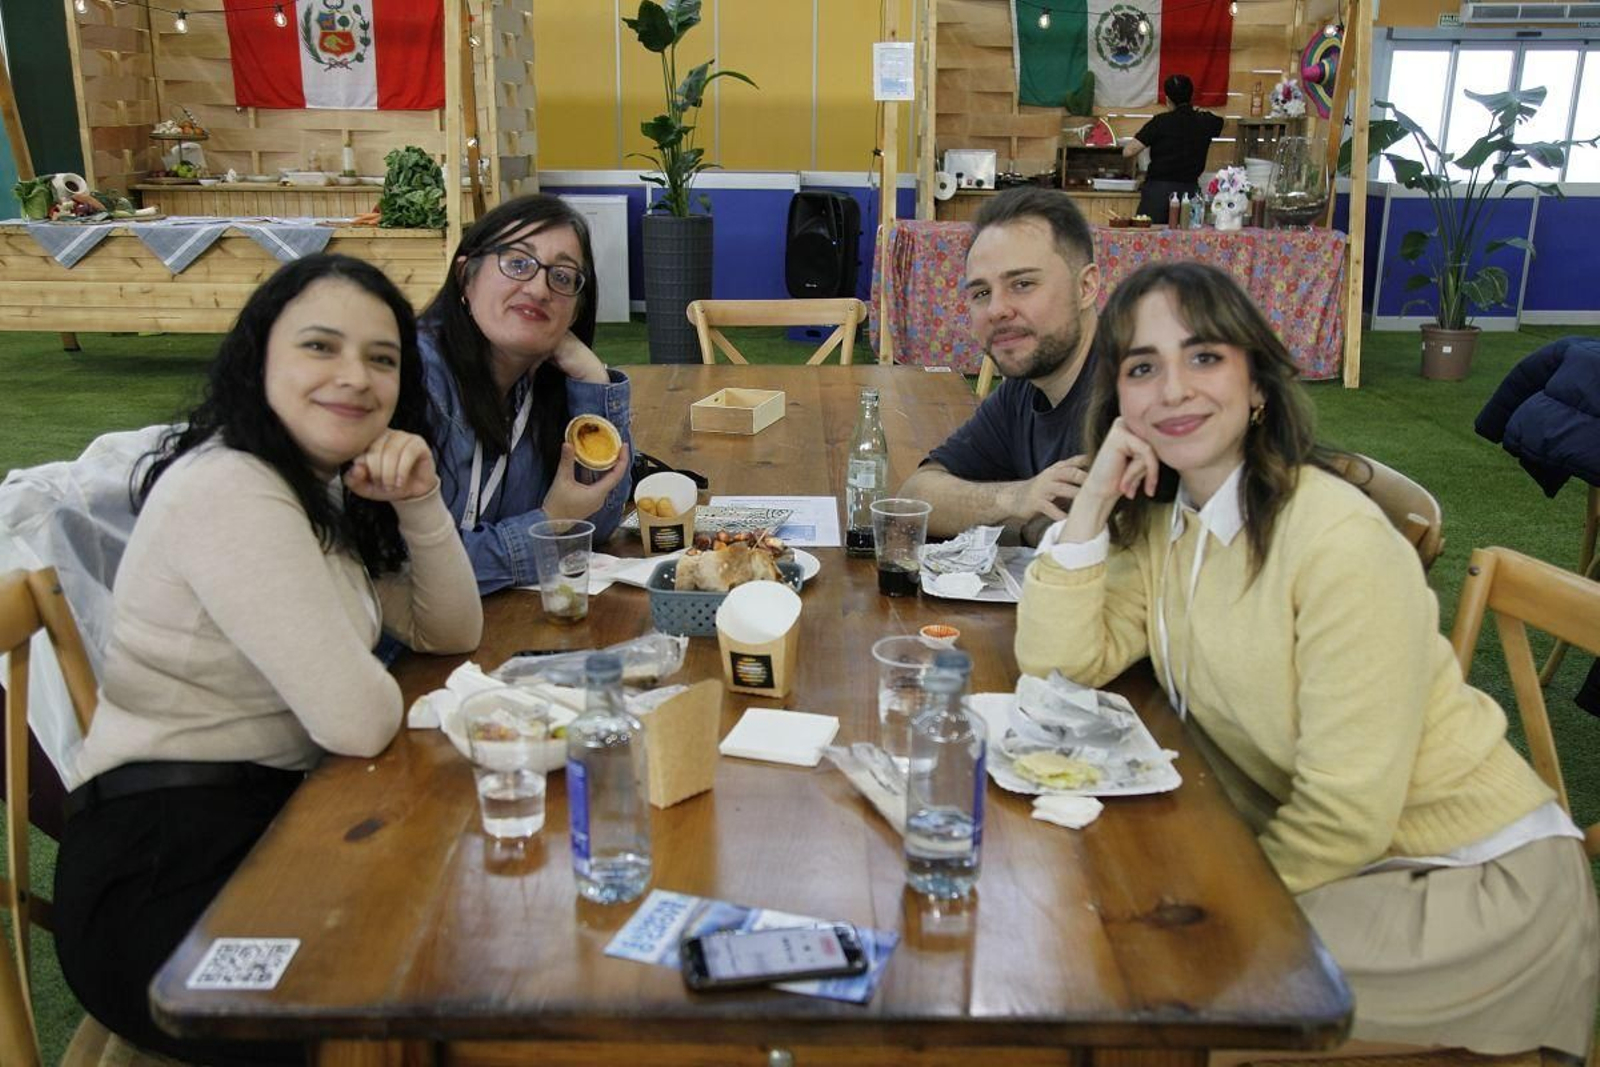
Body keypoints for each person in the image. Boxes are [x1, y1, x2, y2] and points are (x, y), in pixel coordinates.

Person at [1015, 261, 1598, 1058]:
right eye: (1143, 368)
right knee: (1089, 930)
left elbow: (1344, 815)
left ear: (1257, 384)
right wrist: (1091, 501)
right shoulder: (1167, 523)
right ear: (1118, 401)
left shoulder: (1334, 540)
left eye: (1206, 356)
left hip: (1472, 888)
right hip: (1342, 865)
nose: (1175, 388)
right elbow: (1057, 663)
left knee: (1140, 975)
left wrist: (1208, 900)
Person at [52, 254, 483, 1066]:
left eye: (382, 358)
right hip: (164, 875)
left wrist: (420, 500)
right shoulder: (232, 487)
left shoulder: (312, 487)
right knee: (433, 1004)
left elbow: (450, 632)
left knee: (469, 928)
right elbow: (357, 720)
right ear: (260, 358)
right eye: (320, 347)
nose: (354, 376)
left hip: (276, 826)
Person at [422, 194, 632, 594]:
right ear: (466, 277)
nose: (538, 289)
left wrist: (592, 378)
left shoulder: (535, 386)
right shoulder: (415, 380)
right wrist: (549, 524)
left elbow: (598, 522)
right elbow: (414, 574)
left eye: (563, 277)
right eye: (518, 263)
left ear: (575, 311)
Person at [898, 187, 1101, 544]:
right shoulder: (1024, 390)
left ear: (1086, 286)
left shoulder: (1137, 397)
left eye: (1022, 284)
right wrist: (1015, 499)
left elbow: (1092, 544)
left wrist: (1024, 523)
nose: (996, 310)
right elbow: (916, 496)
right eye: (981, 293)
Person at [1124, 73, 1224, 220]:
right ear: (1191, 96)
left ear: (1168, 100)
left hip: (1157, 194)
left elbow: (1128, 151)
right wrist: (1201, 111)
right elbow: (1223, 121)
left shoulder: (1160, 122)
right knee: (1187, 240)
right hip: (1189, 194)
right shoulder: (1205, 121)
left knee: (1149, 239)